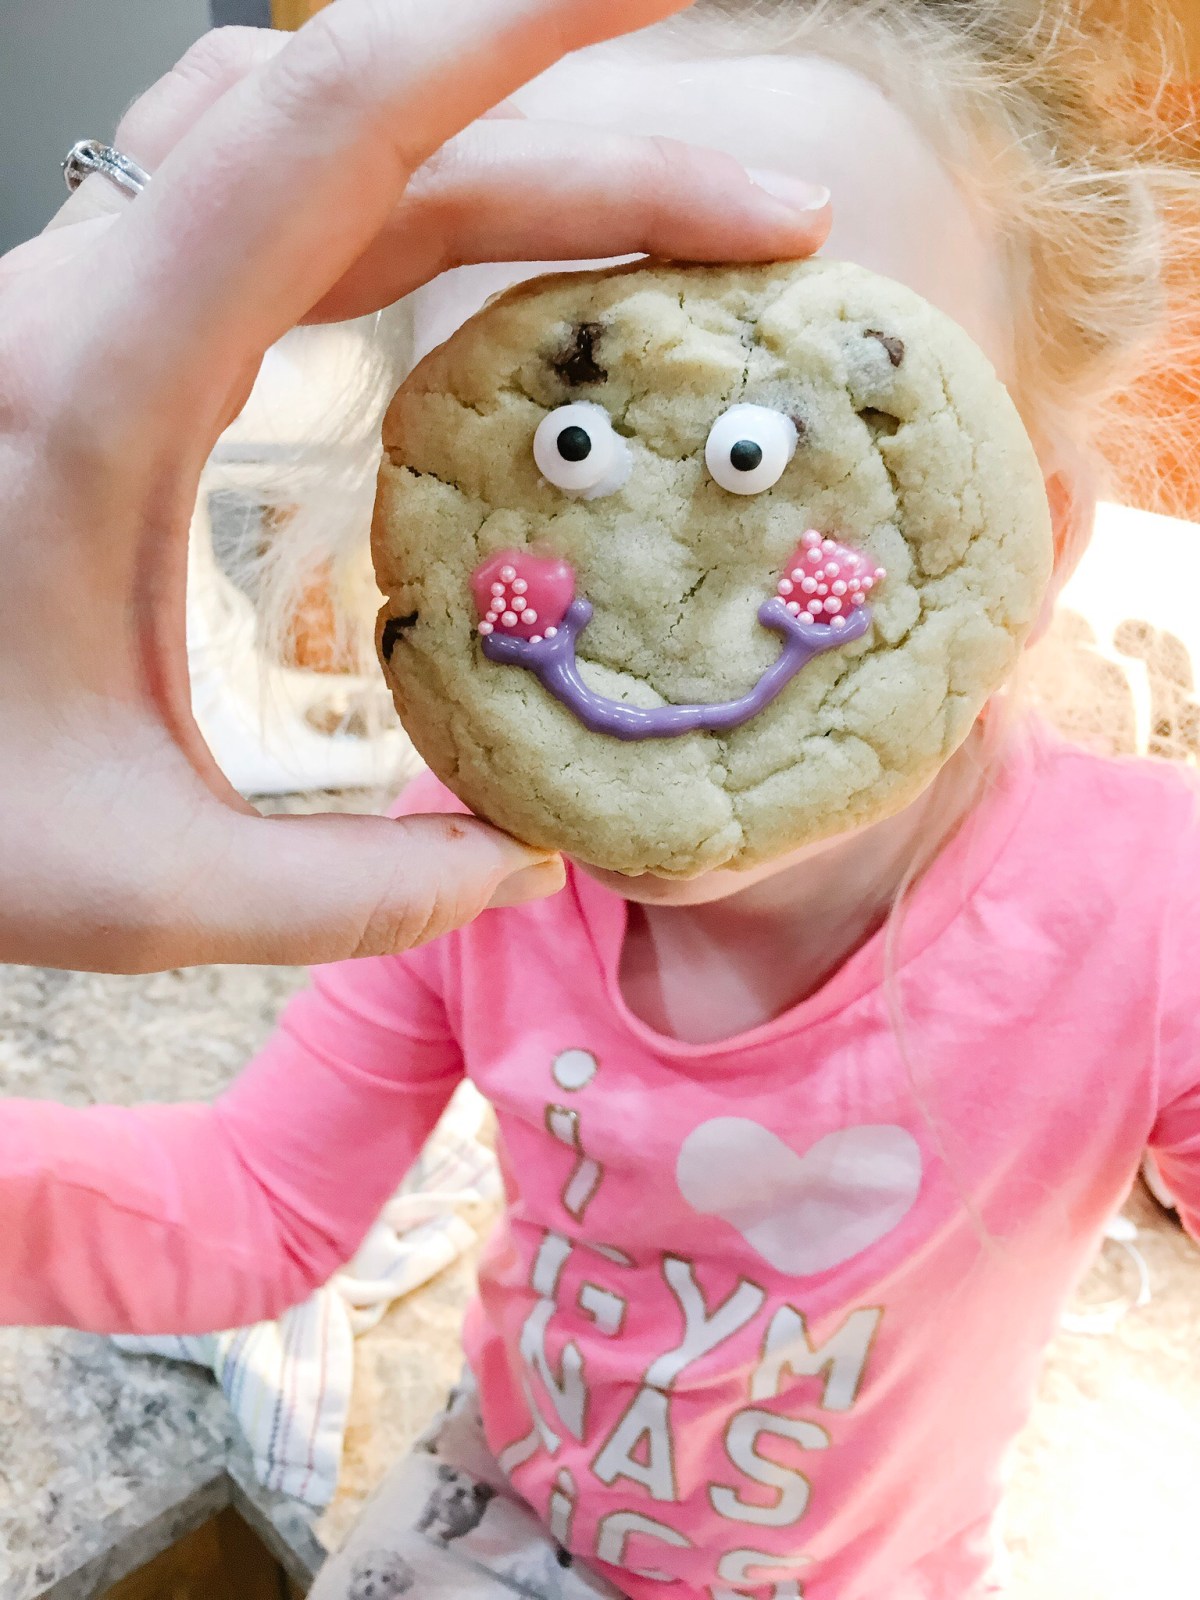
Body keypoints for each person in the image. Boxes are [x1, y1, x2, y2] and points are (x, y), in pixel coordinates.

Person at [3, 2, 1200, 1597]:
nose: (652, 566)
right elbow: (251, 1210)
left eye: (767, 443)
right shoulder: (454, 868)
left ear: (1026, 536)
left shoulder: (1144, 912)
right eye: (566, 443)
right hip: (487, 1518)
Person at [0, 0, 830, 975]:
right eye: (546, 438)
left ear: (1054, 514)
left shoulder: (1056, 950)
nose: (650, 550)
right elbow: (263, 1138)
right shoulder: (442, 854)